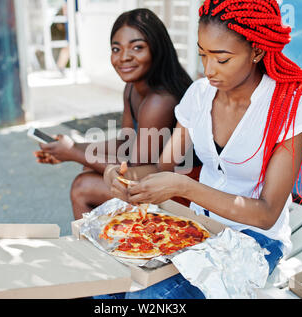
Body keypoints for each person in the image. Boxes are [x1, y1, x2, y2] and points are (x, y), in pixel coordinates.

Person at [103, 0, 302, 299]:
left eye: (221, 59)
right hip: (199, 227)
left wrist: (187, 188)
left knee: (149, 299)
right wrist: (120, 174)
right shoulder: (199, 94)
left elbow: (266, 213)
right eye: (203, 54)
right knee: (106, 288)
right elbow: (163, 168)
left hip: (257, 241)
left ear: (257, 51)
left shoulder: (289, 106)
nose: (208, 70)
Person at [34, 8, 193, 220]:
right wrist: (68, 147)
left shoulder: (160, 100)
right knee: (87, 171)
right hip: (151, 178)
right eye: (116, 49)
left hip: (178, 193)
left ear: (157, 49)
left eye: (137, 47)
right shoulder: (132, 89)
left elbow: (135, 171)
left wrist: (73, 153)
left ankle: (97, 251)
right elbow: (124, 143)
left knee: (83, 186)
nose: (124, 57)